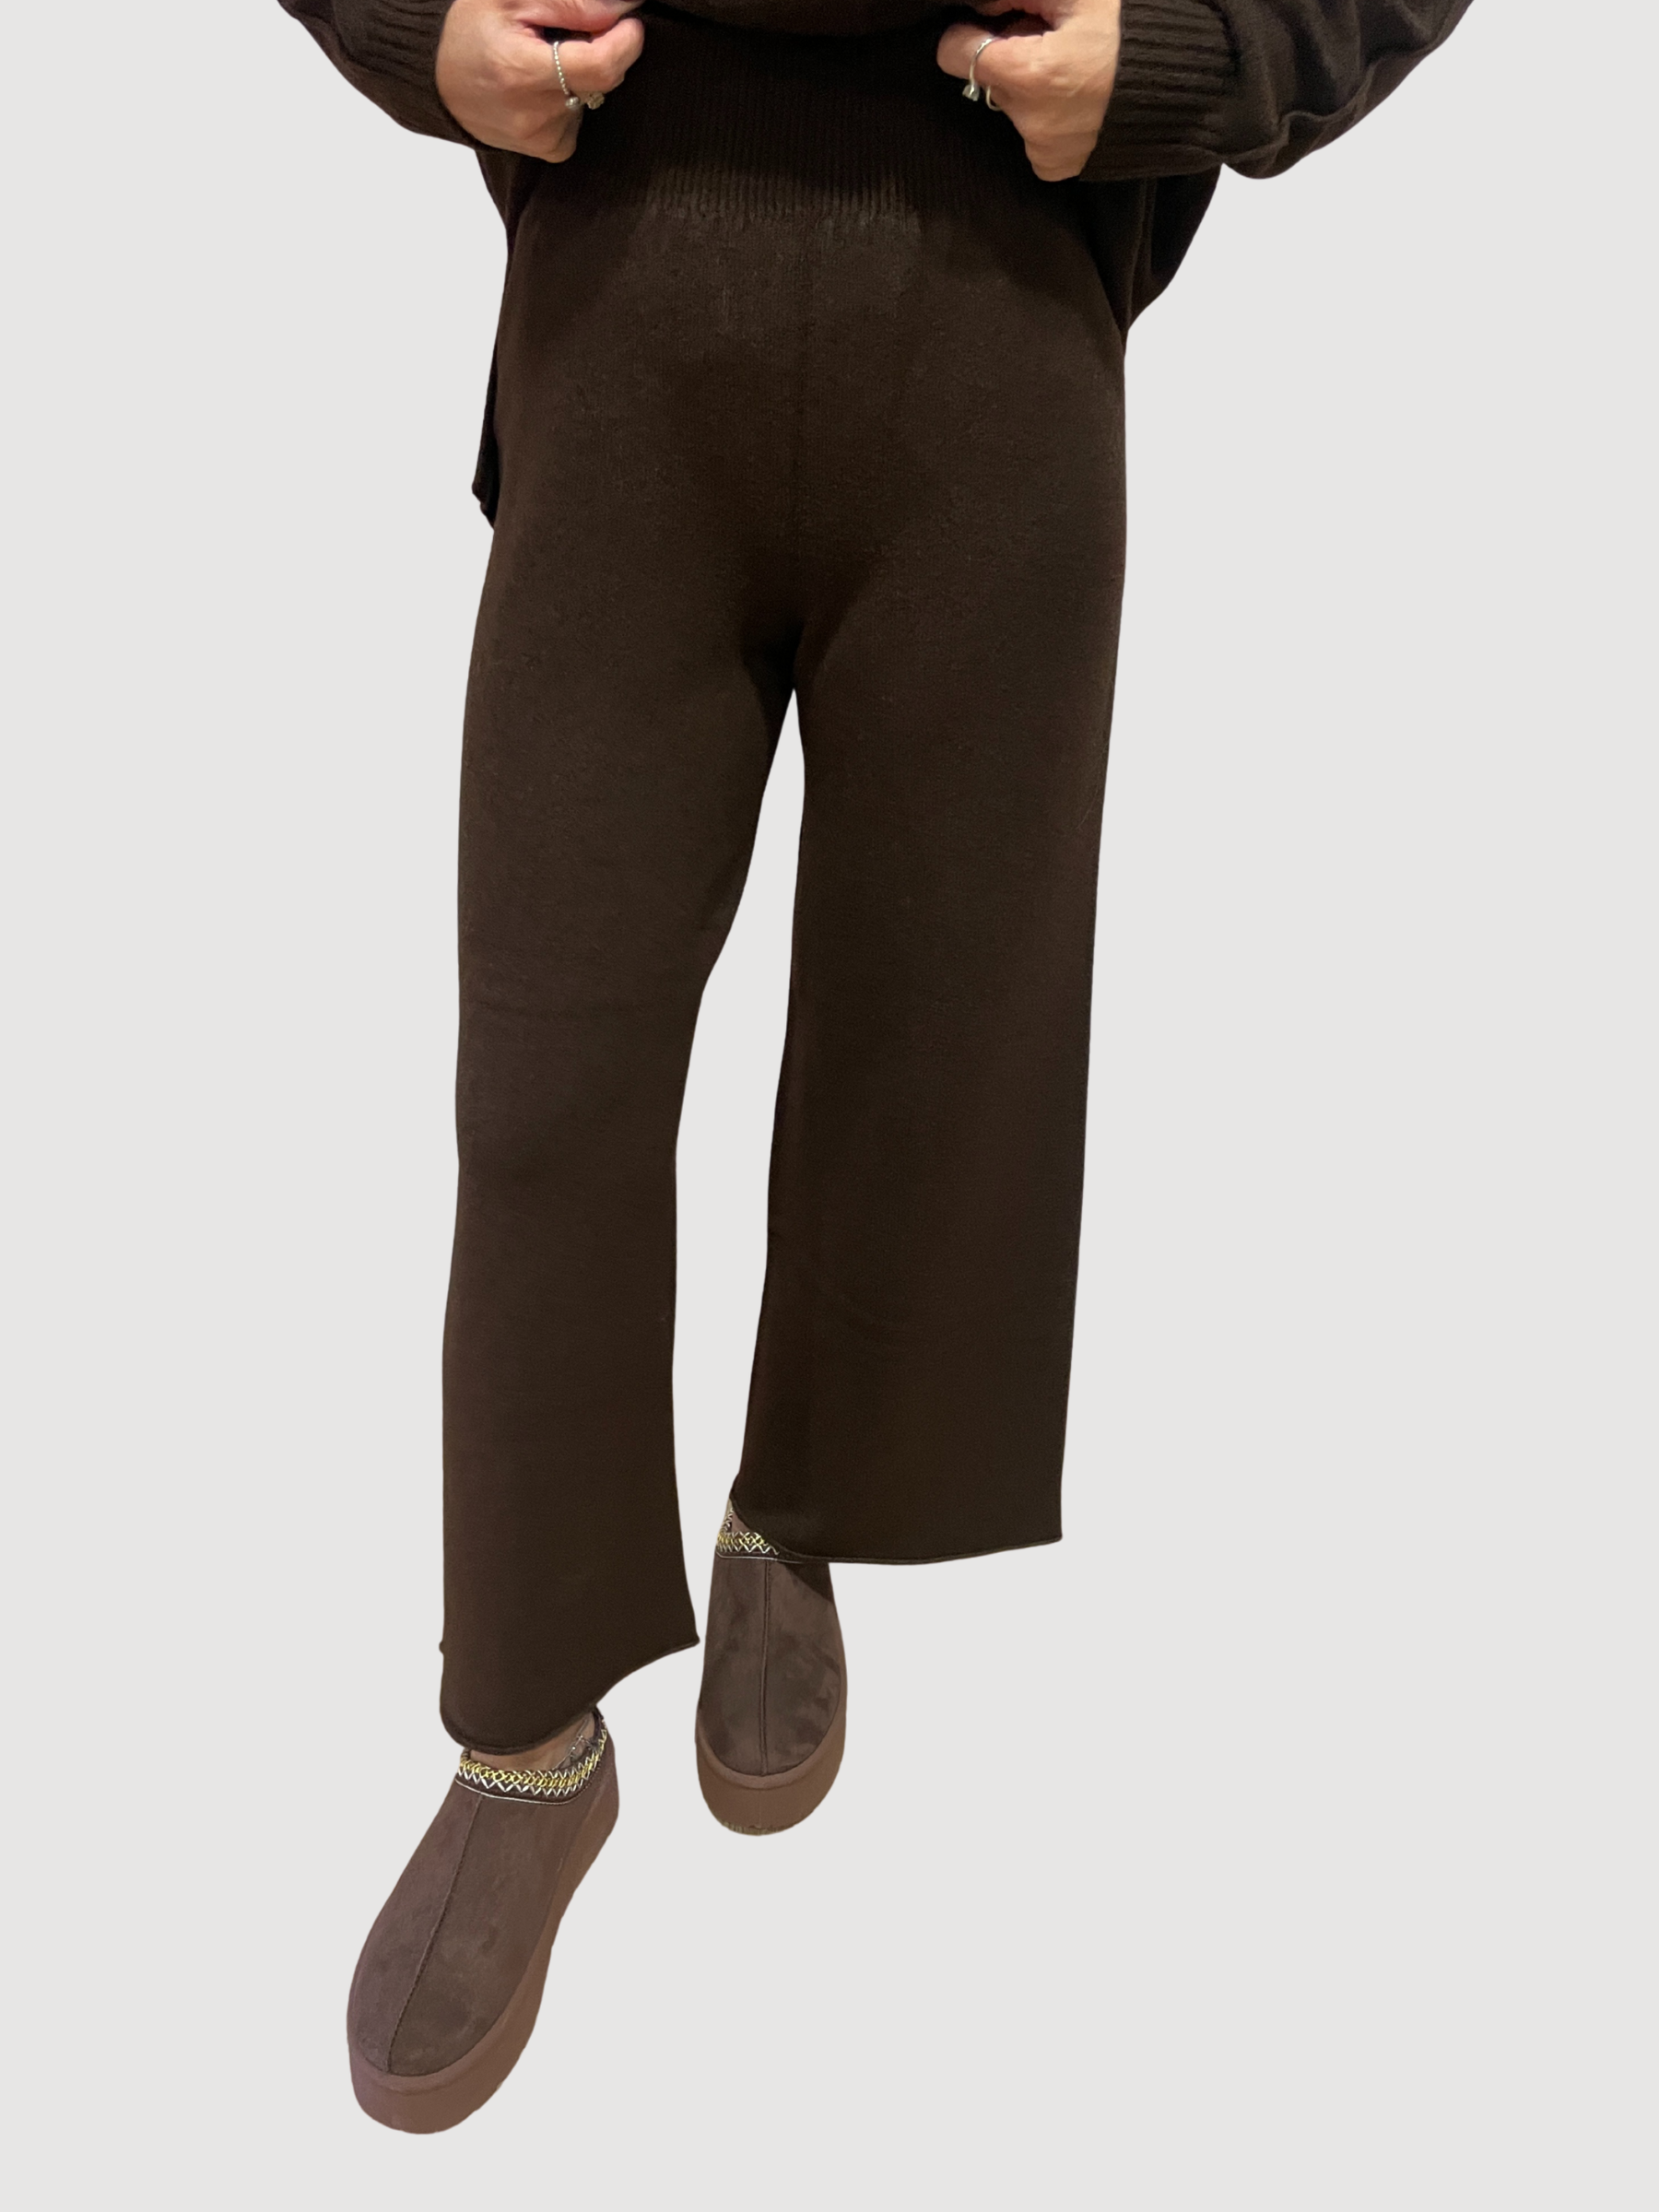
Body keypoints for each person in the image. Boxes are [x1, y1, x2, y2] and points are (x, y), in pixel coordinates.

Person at [277, 0, 1472, 2133]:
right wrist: (408, 28)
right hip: (629, 282)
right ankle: (526, 1735)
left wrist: (1194, 55)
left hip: (996, 299)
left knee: (930, 1014)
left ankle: (796, 1508)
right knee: (545, 1085)